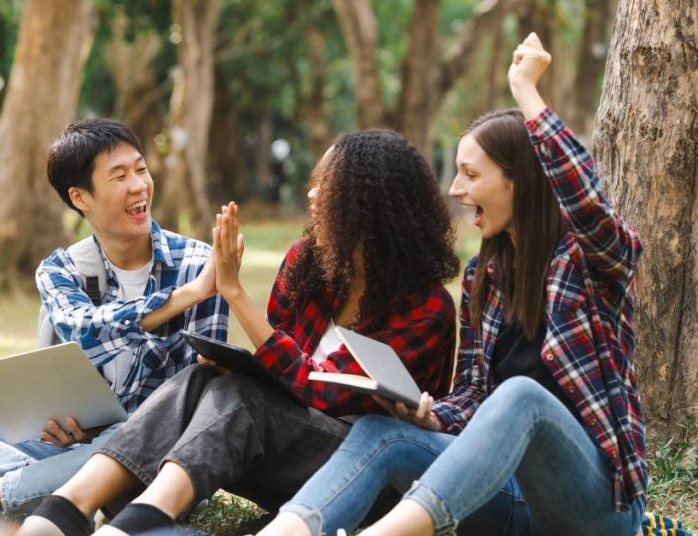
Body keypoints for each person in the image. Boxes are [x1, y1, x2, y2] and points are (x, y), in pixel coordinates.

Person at [258, 33, 647, 536]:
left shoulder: (591, 260)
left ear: (519, 180)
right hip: (507, 500)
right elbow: (472, 394)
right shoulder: (482, 277)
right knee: (385, 431)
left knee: (522, 396)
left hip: (597, 511)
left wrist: (525, 90)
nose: (455, 190)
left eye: (470, 174)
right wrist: (431, 416)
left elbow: (587, 201)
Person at [18, 128, 462, 536]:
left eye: (327, 187)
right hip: (284, 458)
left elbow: (325, 393)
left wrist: (233, 293)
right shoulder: (309, 266)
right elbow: (285, 375)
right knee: (202, 378)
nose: (312, 195)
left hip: (363, 475)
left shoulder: (426, 309)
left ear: (368, 207)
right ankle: (70, 507)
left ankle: (137, 521)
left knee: (243, 398)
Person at [0, 118, 229, 531]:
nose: (139, 185)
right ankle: (67, 500)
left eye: (141, 169)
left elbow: (194, 399)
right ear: (81, 197)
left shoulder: (199, 265)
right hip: (63, 451)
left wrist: (197, 289)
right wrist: (60, 426)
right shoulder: (62, 270)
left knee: (134, 435)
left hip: (150, 461)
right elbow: (85, 329)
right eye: (120, 176)